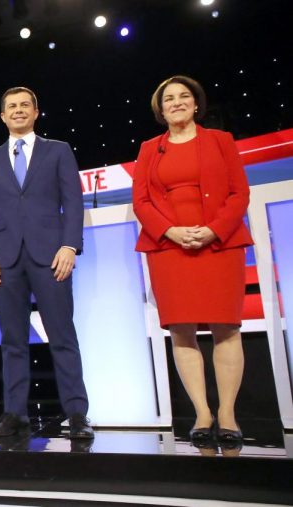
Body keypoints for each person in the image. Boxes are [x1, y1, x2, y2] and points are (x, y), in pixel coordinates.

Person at [132, 75, 252, 443]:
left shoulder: (221, 141)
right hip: (169, 249)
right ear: (160, 108)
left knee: (226, 328)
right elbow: (142, 202)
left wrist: (214, 229)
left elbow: (238, 193)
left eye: (184, 96)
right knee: (181, 331)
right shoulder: (149, 148)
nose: (177, 102)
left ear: (197, 104)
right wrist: (171, 232)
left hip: (219, 244)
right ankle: (202, 413)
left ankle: (228, 416)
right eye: (169, 98)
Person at [0, 87, 93, 439]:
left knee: (62, 335)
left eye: (25, 105)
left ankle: (77, 414)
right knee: (12, 340)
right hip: (5, 260)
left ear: (36, 112)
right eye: (11, 106)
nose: (19, 110)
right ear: (3, 116)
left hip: (51, 256)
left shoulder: (58, 151)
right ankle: (14, 415)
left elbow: (73, 202)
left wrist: (70, 245)